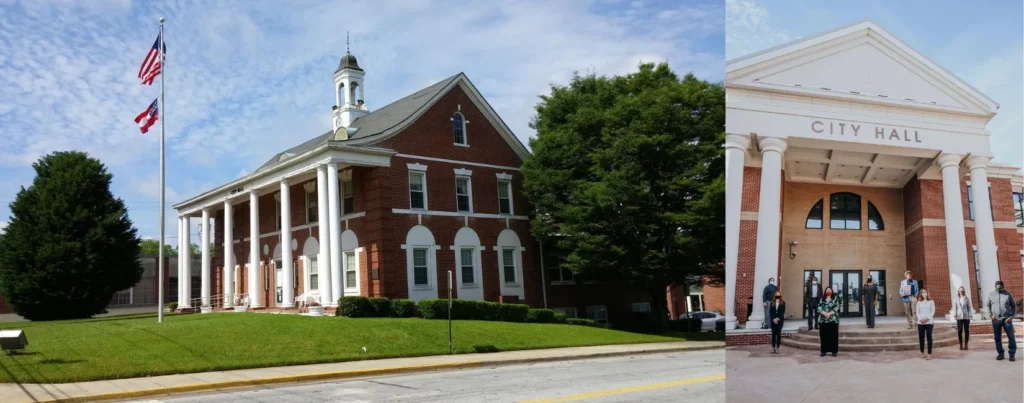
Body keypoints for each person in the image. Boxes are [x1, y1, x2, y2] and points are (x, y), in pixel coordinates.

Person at [987, 280, 1017, 362]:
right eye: (997, 286)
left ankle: (1012, 354)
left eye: (1000, 286)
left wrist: (1011, 317)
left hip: (1007, 319)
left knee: (1011, 337)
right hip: (996, 320)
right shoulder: (991, 295)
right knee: (997, 338)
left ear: (1003, 286)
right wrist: (991, 315)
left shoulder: (1007, 294)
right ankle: (1000, 353)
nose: (999, 288)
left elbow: (1014, 306)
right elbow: (988, 306)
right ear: (995, 286)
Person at [818, 286, 840, 357]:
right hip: (823, 321)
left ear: (832, 292)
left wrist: (829, 314)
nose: (828, 291)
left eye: (830, 290)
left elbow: (837, 307)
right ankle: (823, 351)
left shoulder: (835, 299)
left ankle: (834, 351)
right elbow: (819, 307)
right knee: (824, 336)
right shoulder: (822, 299)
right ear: (825, 292)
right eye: (827, 290)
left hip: (833, 320)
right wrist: (824, 313)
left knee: (833, 336)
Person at [916, 289, 935, 360]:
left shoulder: (931, 301)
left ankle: (929, 353)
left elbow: (932, 312)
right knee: (921, 338)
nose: (924, 293)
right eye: (922, 292)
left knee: (929, 337)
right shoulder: (919, 302)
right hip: (920, 322)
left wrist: (926, 319)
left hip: (929, 322)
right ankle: (922, 352)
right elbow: (917, 312)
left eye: (925, 292)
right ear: (921, 294)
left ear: (927, 293)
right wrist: (921, 319)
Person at [953, 286, 972, 350]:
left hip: (966, 316)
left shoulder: (967, 298)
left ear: (964, 291)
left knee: (967, 331)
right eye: (960, 290)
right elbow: (955, 307)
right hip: (959, 316)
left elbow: (969, 307)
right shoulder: (956, 298)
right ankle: (961, 344)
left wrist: (970, 315)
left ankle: (966, 344)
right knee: (960, 330)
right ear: (958, 291)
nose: (961, 291)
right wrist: (955, 315)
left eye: (962, 290)